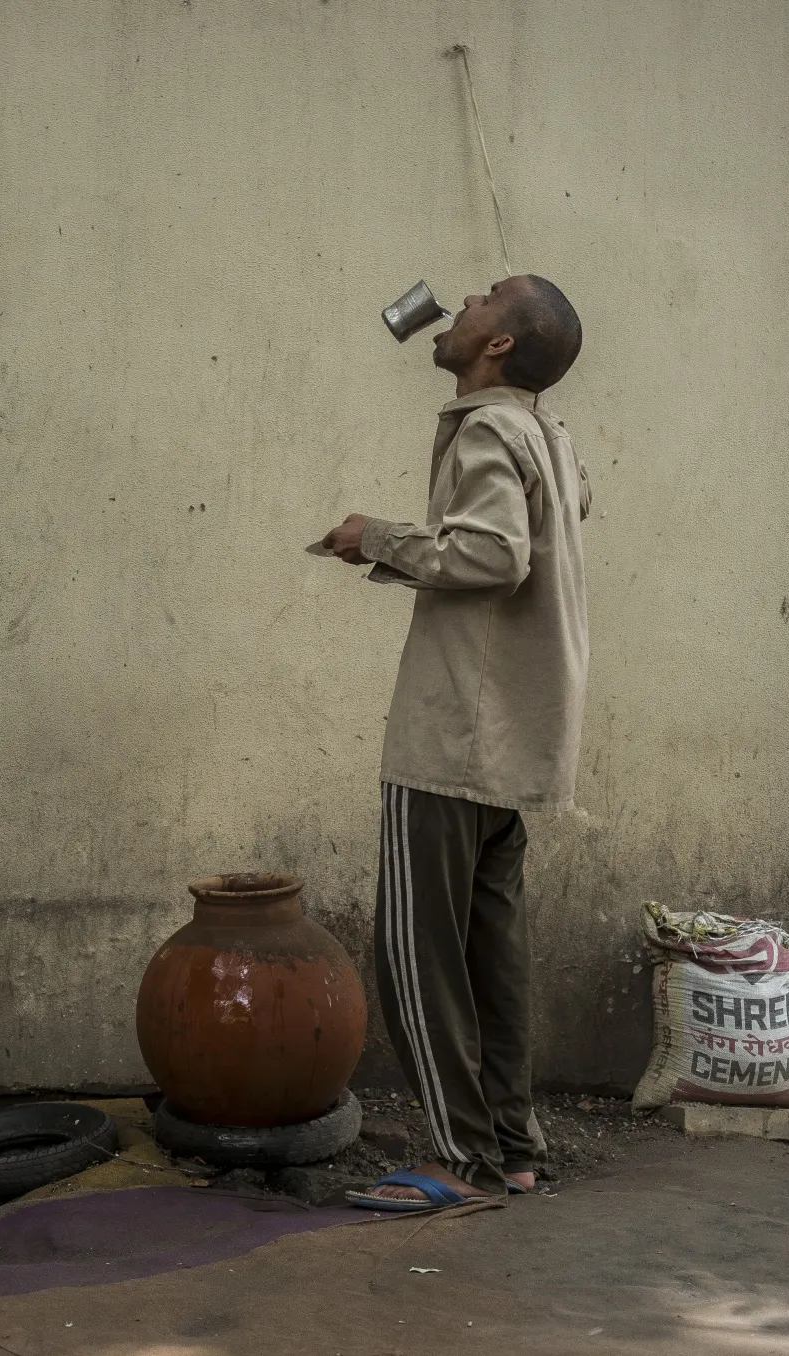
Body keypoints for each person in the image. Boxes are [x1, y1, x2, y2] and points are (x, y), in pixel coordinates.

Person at [318, 275, 589, 1210]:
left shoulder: (485, 430)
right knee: (490, 960)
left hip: (450, 741)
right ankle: (512, 1148)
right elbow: (556, 521)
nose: (462, 304)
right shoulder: (547, 437)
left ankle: (462, 1164)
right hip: (511, 744)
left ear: (499, 346)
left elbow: (491, 554)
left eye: (484, 300)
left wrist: (375, 537)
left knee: (419, 959)